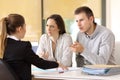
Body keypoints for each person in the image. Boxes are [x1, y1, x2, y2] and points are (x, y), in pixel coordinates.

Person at [0, 14, 67, 80]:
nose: (26, 30)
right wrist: (57, 64)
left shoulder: (2, 45)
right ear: (20, 29)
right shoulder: (23, 47)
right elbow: (41, 64)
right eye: (25, 26)